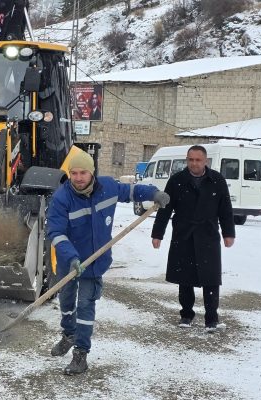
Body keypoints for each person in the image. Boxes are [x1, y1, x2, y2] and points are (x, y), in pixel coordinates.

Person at [47, 150, 169, 375]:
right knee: (66, 303)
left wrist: (154, 193)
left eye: (83, 172)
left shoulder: (108, 188)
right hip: (69, 261)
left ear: (91, 173)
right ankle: (68, 334)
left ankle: (81, 354)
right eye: (74, 173)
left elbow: (132, 191)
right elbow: (55, 232)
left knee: (85, 305)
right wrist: (72, 257)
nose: (78, 177)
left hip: (94, 262)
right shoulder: (62, 198)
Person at [151, 145, 235, 333]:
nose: (194, 163)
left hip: (208, 236)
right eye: (191, 159)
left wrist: (228, 233)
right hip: (184, 235)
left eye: (198, 160)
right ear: (186, 160)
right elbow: (165, 209)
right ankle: (186, 315)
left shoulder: (217, 181)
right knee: (185, 278)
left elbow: (226, 210)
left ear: (206, 161)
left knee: (211, 279)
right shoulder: (177, 181)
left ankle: (211, 318)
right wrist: (158, 234)